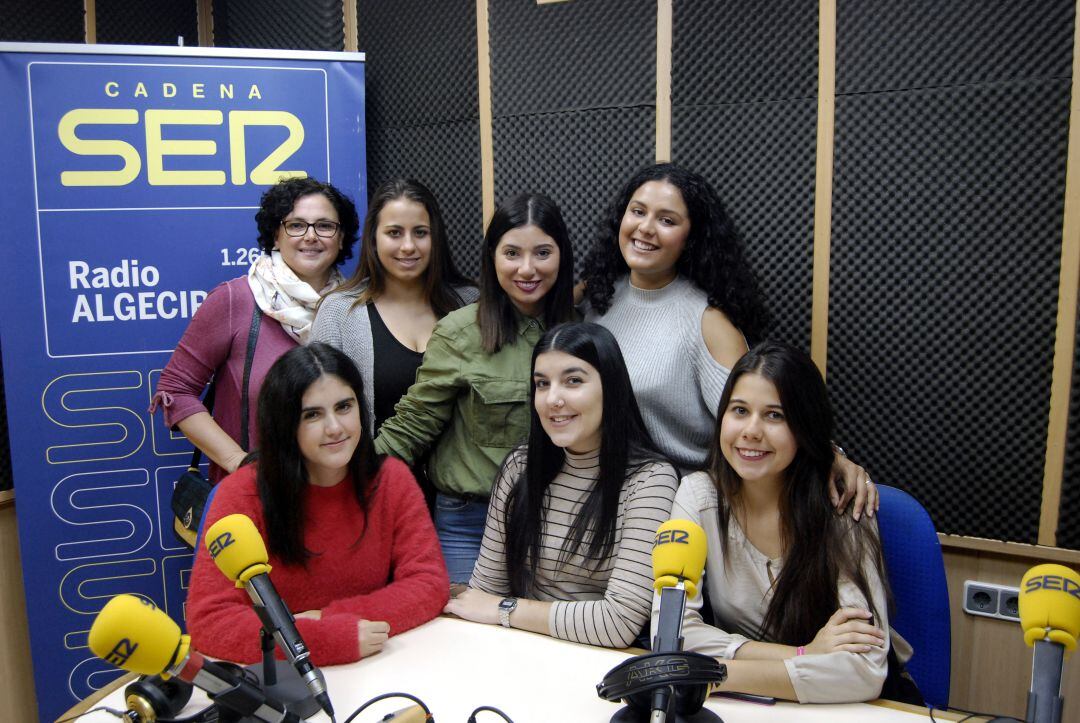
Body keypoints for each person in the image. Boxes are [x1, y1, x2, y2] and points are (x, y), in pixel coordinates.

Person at [581, 163, 876, 516]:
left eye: (667, 220)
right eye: (638, 211)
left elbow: (760, 411)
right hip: (602, 497)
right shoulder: (595, 299)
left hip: (679, 507)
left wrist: (830, 456)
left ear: (691, 238)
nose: (645, 228)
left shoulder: (708, 321)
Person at [657, 342, 919, 704]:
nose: (751, 431)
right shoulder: (698, 496)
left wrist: (715, 675)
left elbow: (863, 671)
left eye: (774, 416)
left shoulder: (842, 501)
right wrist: (803, 654)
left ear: (804, 426)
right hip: (754, 704)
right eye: (739, 410)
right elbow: (672, 634)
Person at [186, 343, 448, 665]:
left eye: (344, 407)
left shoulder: (391, 479)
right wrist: (323, 639)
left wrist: (328, 619)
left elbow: (428, 583)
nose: (335, 428)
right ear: (284, 424)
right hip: (288, 678)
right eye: (312, 415)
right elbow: (210, 623)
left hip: (376, 662)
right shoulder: (240, 494)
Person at [374, 193, 576, 582]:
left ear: (561, 256)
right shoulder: (459, 332)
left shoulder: (583, 333)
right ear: (492, 257)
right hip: (470, 524)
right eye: (512, 253)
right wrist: (341, 481)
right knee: (464, 621)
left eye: (542, 253)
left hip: (560, 520)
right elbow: (413, 426)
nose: (527, 269)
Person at [446, 322, 678, 648]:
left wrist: (505, 609)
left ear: (611, 388)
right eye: (542, 384)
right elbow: (484, 591)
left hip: (599, 659)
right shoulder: (520, 466)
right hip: (519, 648)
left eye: (573, 381)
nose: (552, 399)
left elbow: (619, 622)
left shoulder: (650, 480)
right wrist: (497, 610)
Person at [151, 177, 359, 482]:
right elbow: (175, 390)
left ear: (341, 239)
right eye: (296, 225)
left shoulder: (358, 307)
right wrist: (239, 463)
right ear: (276, 235)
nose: (311, 236)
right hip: (255, 494)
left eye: (325, 226)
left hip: (338, 488)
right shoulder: (235, 300)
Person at [312, 179, 476, 510]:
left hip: (462, 507)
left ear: (436, 237)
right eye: (394, 233)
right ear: (374, 238)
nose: (408, 246)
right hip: (373, 496)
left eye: (420, 232)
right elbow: (318, 413)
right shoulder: (339, 311)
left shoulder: (471, 304)